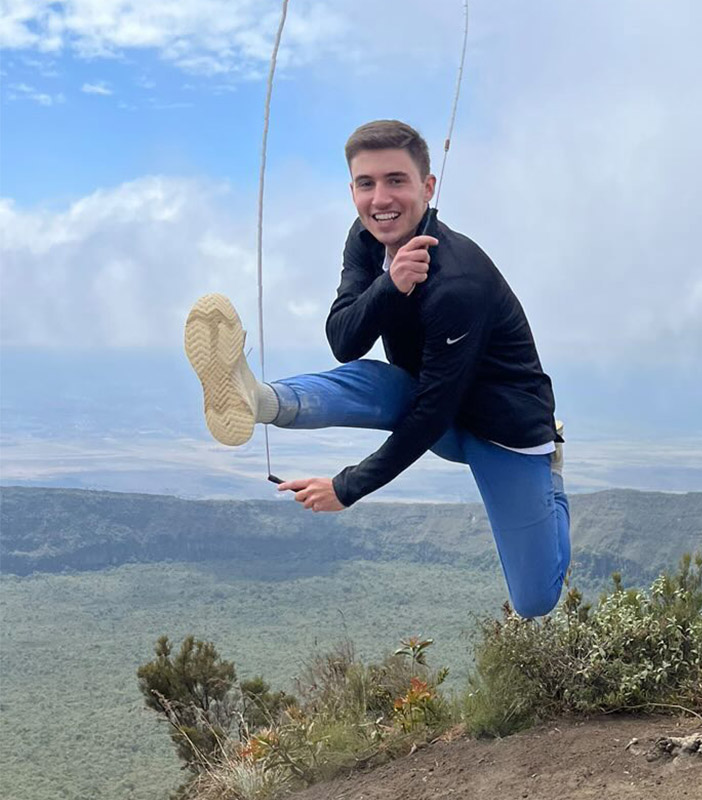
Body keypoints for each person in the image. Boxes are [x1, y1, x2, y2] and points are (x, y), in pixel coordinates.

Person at [183, 120, 570, 618]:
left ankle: (552, 476)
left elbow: (433, 413)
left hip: (504, 433)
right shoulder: (367, 240)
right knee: (375, 381)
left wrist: (347, 487)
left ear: (428, 188)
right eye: (366, 184)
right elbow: (345, 342)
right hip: (420, 392)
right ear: (352, 191)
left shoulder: (459, 282)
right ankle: (257, 398)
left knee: (535, 601)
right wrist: (390, 284)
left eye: (396, 181)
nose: (380, 199)